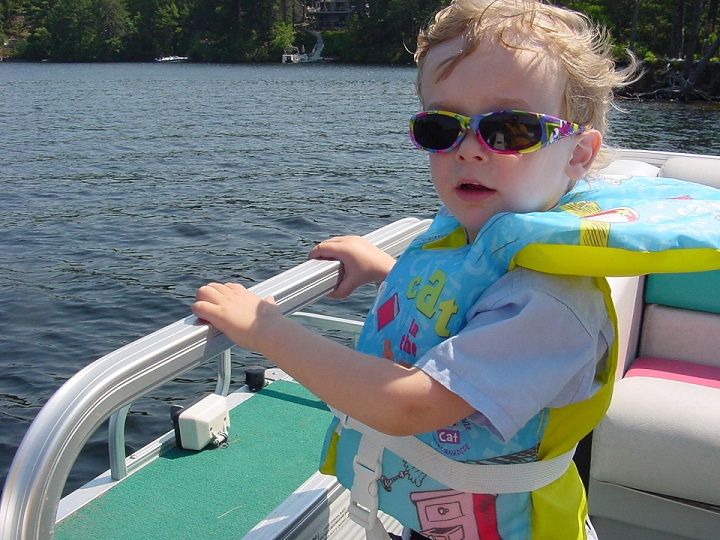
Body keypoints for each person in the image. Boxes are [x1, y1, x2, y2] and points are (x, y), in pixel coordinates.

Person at [193, 1, 639, 538]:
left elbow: (404, 406)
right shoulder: (484, 238)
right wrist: (389, 269)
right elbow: (468, 298)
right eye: (441, 126)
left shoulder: (552, 302)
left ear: (577, 154)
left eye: (510, 129)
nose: (471, 150)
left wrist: (263, 327)